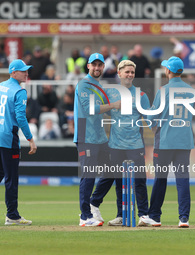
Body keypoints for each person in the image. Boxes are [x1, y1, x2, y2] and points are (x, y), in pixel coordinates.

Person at [89, 60, 150, 226]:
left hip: (135, 144)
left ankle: (143, 215)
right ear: (119, 73)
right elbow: (95, 110)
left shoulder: (141, 95)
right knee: (118, 181)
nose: (130, 75)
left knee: (139, 180)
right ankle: (121, 215)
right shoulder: (110, 93)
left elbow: (150, 118)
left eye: (132, 72)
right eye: (127, 72)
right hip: (115, 145)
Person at [0, 59, 37, 225]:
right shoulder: (19, 91)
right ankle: (12, 215)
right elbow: (20, 117)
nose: (26, 73)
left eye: (27, 70)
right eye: (23, 70)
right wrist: (30, 139)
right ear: (13, 72)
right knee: (11, 177)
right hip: (7, 137)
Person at [141, 56, 195, 228]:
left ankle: (155, 216)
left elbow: (152, 116)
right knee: (182, 180)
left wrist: (150, 121)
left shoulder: (163, 90)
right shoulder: (190, 91)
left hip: (164, 141)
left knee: (160, 179)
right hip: (184, 141)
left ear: (169, 71)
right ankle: (184, 218)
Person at [73, 53, 120, 227]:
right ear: (88, 66)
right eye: (94, 65)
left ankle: (93, 204)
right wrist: (113, 105)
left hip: (100, 138)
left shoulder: (98, 86)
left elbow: (108, 111)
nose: (97, 68)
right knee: (89, 175)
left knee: (113, 171)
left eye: (100, 65)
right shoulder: (84, 84)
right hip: (86, 137)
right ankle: (84, 217)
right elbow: (91, 108)